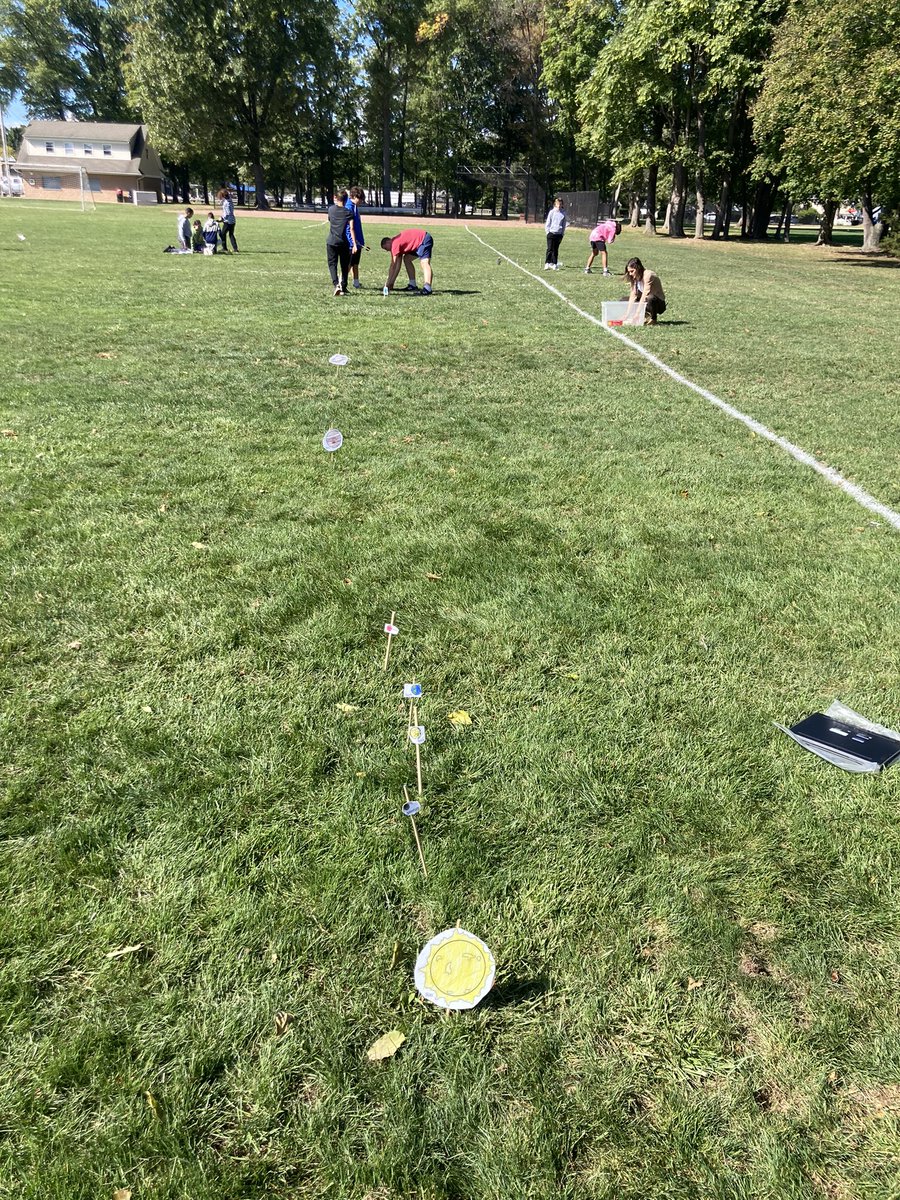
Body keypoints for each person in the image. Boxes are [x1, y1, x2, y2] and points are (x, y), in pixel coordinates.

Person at [380, 228, 434, 294]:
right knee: (407, 259)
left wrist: (388, 283)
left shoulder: (394, 243)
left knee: (424, 263)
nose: (387, 250)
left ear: (388, 242)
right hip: (418, 242)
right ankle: (412, 285)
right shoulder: (396, 246)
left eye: (385, 248)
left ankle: (427, 288)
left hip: (423, 239)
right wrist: (391, 283)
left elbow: (393, 265)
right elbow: (397, 267)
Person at [326, 189, 357, 296]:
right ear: (346, 199)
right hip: (343, 242)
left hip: (331, 241)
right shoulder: (349, 212)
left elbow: (330, 220)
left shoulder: (331, 209)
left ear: (336, 197)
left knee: (332, 264)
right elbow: (352, 228)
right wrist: (354, 244)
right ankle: (343, 286)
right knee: (344, 265)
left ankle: (336, 285)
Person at [624, 257, 666, 325]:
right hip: (646, 302)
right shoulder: (635, 278)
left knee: (650, 298)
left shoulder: (648, 275)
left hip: (658, 304)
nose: (630, 274)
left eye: (632, 271)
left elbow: (645, 295)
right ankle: (645, 316)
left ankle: (653, 319)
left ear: (638, 268)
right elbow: (633, 295)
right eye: (629, 272)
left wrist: (637, 313)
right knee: (624, 300)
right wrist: (627, 314)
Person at [344, 186, 369, 289]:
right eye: (360, 199)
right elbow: (350, 227)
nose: (361, 201)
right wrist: (353, 242)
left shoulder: (355, 207)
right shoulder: (349, 207)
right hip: (352, 241)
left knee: (355, 263)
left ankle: (356, 282)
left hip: (358, 240)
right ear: (353, 196)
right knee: (349, 263)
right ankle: (342, 282)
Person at [544, 197, 567, 269]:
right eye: (558, 204)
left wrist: (562, 233)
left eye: (560, 204)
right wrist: (548, 232)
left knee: (555, 249)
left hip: (559, 234)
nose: (559, 205)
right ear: (555, 204)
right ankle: (547, 263)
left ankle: (554, 263)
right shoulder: (551, 212)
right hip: (551, 233)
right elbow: (548, 223)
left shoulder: (563, 213)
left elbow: (564, 224)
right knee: (549, 249)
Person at [217, 188, 238, 253]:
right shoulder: (230, 200)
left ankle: (224, 248)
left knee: (222, 234)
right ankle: (235, 248)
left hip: (227, 221)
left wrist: (222, 218)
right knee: (231, 234)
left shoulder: (226, 203)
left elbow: (227, 213)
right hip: (232, 220)